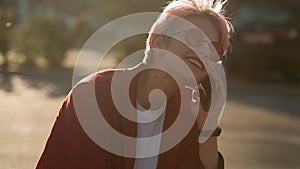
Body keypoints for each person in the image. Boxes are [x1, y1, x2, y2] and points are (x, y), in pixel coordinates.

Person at [36, 0, 233, 168]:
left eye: (214, 49)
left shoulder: (189, 114)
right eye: (195, 37)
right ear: (158, 42)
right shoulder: (93, 95)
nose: (203, 52)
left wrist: (208, 130)